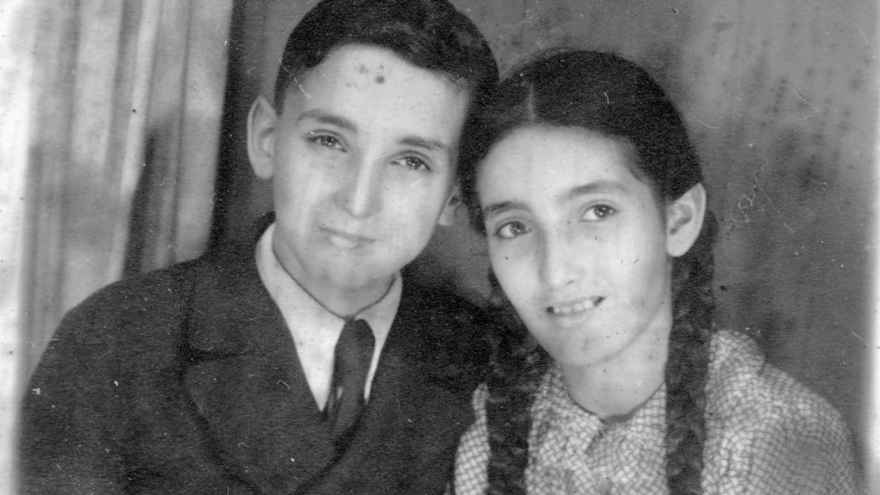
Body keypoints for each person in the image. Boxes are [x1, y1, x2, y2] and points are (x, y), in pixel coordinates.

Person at [19, 1, 498, 493]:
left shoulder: (483, 361)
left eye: (411, 162)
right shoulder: (115, 341)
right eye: (329, 141)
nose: (358, 201)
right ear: (268, 139)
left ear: (455, 195)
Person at [452, 50, 860, 494]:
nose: (556, 269)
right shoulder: (490, 438)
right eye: (514, 227)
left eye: (597, 212)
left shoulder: (771, 437)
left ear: (678, 221)